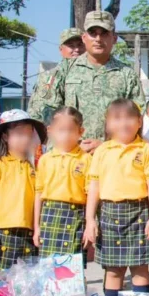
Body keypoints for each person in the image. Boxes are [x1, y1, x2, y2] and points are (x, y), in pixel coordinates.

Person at [85, 99, 149, 296]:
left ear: (139, 121)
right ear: (107, 124)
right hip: (109, 212)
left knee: (140, 269)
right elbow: (94, 186)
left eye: (129, 117)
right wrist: (90, 219)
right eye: (116, 118)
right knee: (113, 270)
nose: (124, 123)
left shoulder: (147, 150)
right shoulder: (101, 151)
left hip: (138, 212)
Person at [34, 12, 145, 151]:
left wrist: (105, 146)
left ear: (114, 38)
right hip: (70, 156)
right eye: (93, 33)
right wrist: (71, 144)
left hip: (113, 157)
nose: (98, 39)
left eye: (104, 33)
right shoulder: (64, 71)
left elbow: (136, 119)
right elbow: (45, 114)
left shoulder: (127, 74)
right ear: (84, 37)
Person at [0, 111, 45, 273]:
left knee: (27, 282)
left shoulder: (37, 166)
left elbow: (40, 199)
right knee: (1, 281)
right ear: (5, 137)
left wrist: (37, 228)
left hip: (29, 233)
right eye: (19, 133)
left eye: (29, 133)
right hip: (3, 233)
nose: (25, 138)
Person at [33, 107, 91, 255]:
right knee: (48, 270)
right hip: (49, 215)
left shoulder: (86, 159)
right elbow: (39, 193)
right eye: (61, 130)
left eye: (71, 130)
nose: (66, 135)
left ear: (80, 132)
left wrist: (90, 223)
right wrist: (36, 226)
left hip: (76, 215)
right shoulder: (45, 160)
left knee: (72, 270)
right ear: (50, 130)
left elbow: (91, 193)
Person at [27, 28, 85, 122]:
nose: (77, 49)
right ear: (61, 49)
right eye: (71, 46)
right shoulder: (52, 76)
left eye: (80, 45)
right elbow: (44, 112)